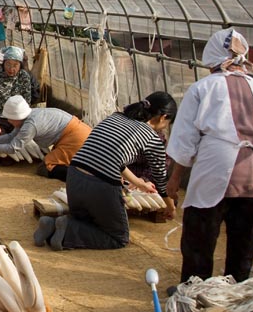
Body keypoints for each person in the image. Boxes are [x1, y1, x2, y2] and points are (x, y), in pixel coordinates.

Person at [166, 28, 253, 286]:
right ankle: (236, 291)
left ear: (212, 58)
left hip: (217, 167)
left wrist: (173, 182)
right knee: (245, 240)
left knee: (201, 236)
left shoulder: (203, 88)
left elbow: (185, 140)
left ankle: (195, 291)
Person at [34, 91, 177, 251]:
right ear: (164, 117)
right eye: (168, 123)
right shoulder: (153, 138)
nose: (166, 127)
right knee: (118, 237)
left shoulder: (116, 117)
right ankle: (68, 231)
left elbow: (113, 158)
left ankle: (53, 225)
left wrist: (138, 183)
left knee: (88, 220)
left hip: (74, 176)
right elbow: (161, 181)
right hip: (100, 185)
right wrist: (170, 207)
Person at [0, 96, 92, 180]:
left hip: (75, 138)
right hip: (80, 132)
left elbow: (12, 148)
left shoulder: (30, 125)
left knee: (45, 168)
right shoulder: (29, 115)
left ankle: (80, 177)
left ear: (17, 117)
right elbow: (12, 136)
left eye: (10, 118)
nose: (8, 121)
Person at [0, 46, 39, 136]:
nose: (11, 69)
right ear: (3, 63)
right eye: (8, 64)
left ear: (20, 65)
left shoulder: (24, 77)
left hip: (17, 119)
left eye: (15, 65)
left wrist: (21, 123)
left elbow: (26, 101)